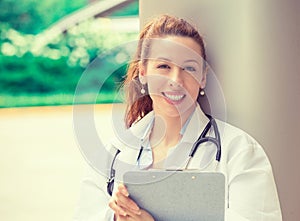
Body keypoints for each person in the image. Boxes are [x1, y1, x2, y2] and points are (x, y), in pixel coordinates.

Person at [73, 14, 282, 221]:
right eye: (164, 66)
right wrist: (118, 216)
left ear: (203, 77)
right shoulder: (112, 154)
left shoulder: (239, 151)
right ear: (143, 73)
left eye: (189, 68)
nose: (176, 80)